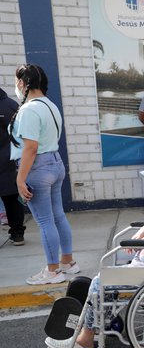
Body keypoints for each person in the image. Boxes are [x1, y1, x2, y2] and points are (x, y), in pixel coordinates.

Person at [43, 159, 144, 348]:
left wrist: (137, 243)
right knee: (106, 279)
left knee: (99, 283)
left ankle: (85, 339)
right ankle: (99, 322)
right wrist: (141, 233)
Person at [10, 64, 79, 285]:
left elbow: (30, 147)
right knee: (57, 215)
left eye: (17, 81)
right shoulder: (50, 105)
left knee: (44, 220)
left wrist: (20, 178)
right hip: (55, 163)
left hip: (37, 167)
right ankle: (68, 262)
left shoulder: (29, 109)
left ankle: (52, 271)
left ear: (24, 83)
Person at [0, 86, 25, 246]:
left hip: (7, 158)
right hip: (10, 158)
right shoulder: (11, 104)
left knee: (11, 198)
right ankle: (17, 234)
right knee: (12, 198)